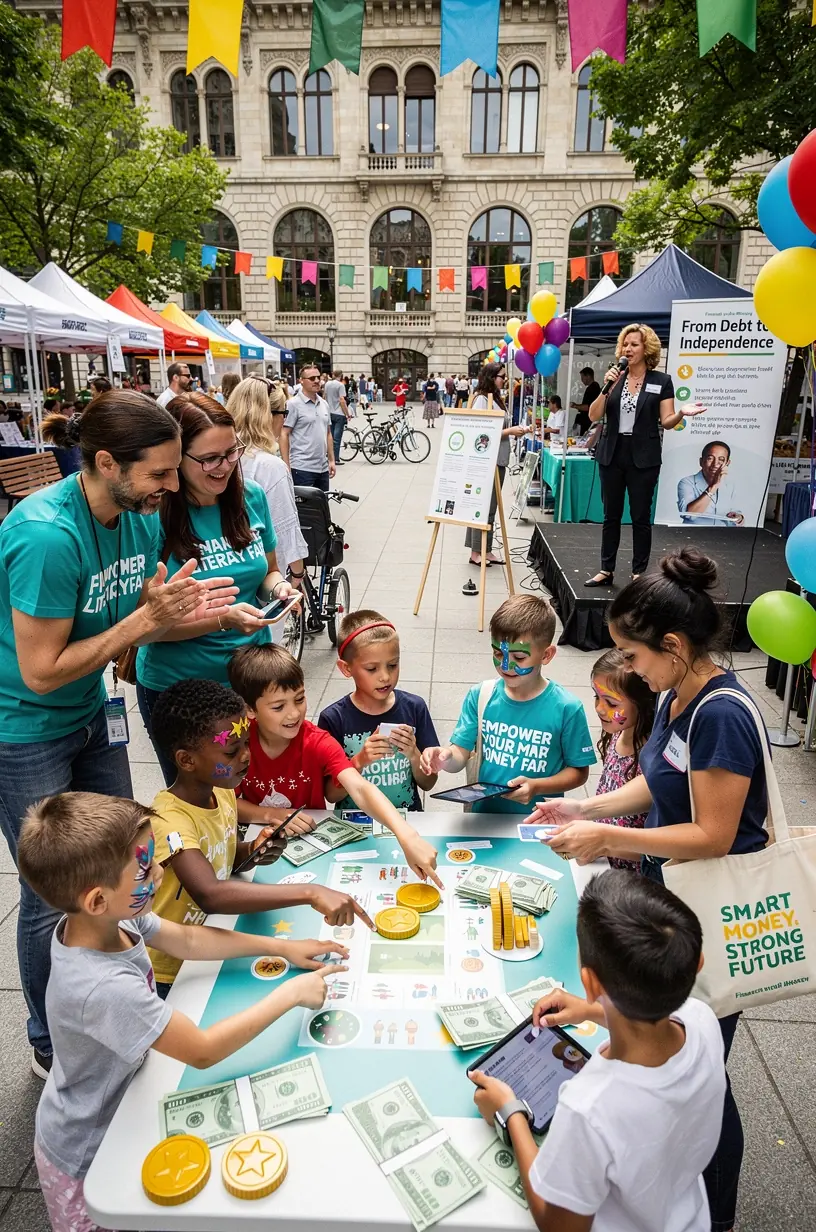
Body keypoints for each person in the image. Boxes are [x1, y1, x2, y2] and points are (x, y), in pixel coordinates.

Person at [527, 547, 770, 1232]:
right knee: (679, 1050)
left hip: (712, 912)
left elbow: (714, 834)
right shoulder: (673, 692)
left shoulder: (719, 713)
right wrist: (585, 808)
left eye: (634, 656)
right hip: (678, 898)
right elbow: (659, 782)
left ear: (674, 646)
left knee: (701, 1076)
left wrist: (608, 838)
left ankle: (712, 1205)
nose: (630, 671)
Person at [0, 392, 234, 1078]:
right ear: (106, 463)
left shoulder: (137, 518)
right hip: (25, 728)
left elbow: (136, 618)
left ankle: (120, 1001)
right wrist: (143, 623)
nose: (172, 487)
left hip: (90, 713)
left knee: (128, 860)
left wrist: (214, 616)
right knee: (54, 893)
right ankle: (50, 1042)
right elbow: (41, 670)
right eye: (158, 474)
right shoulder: (47, 536)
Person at [18, 791, 344, 1230]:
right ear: (96, 899)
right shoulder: (102, 986)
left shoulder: (111, 918)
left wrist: (282, 947)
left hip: (126, 1101)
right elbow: (203, 1050)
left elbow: (188, 940)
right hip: (89, 1151)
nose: (159, 871)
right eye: (146, 869)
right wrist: (291, 994)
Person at [470, 870, 726, 1232]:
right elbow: (654, 1022)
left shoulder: (588, 1107)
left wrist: (510, 1115)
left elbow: (559, 1225)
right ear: (696, 963)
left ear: (589, 982)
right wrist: (593, 1009)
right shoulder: (703, 1020)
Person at [146, 677, 363, 995]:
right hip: (173, 968)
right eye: (231, 751)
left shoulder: (221, 791)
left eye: (246, 743)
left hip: (216, 943)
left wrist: (251, 850)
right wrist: (311, 892)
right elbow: (210, 893)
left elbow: (220, 858)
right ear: (187, 760)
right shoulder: (170, 819)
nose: (246, 756)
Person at [135, 391, 299, 784]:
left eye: (231, 453)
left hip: (248, 683)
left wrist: (279, 589)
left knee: (243, 783)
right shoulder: (151, 516)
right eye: (209, 458)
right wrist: (223, 620)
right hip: (181, 693)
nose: (224, 467)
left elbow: (267, 570)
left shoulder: (250, 497)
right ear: (177, 458)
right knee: (200, 794)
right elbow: (143, 627)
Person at [229, 644, 442, 885]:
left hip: (312, 844)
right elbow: (224, 802)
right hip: (255, 847)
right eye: (278, 707)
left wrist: (408, 836)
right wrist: (271, 814)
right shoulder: (236, 743)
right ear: (249, 709)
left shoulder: (316, 740)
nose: (294, 714)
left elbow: (359, 786)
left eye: (299, 699)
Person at [420, 594, 595, 814]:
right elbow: (460, 754)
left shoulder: (567, 708)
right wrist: (444, 757)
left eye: (519, 657)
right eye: (497, 653)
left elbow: (579, 772)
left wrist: (537, 786)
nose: (505, 665)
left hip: (539, 820)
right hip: (484, 816)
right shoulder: (481, 696)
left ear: (547, 655)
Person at [585, 323, 705, 587]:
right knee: (610, 516)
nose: (628, 349)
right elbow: (593, 415)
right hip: (612, 454)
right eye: (625, 344)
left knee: (640, 517)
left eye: (634, 344)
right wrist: (606, 388)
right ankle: (606, 569)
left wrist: (681, 413)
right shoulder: (615, 378)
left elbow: (667, 421)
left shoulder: (661, 381)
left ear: (646, 348)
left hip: (643, 457)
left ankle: (639, 572)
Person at [318, 610, 439, 813]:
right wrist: (359, 760)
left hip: (406, 818)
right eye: (372, 669)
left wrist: (414, 754)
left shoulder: (414, 707)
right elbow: (330, 794)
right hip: (355, 822)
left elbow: (429, 782)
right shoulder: (333, 719)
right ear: (346, 668)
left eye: (392, 665)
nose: (385, 676)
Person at [228, 375, 308, 594]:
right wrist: (297, 573)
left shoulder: (220, 457)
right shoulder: (270, 466)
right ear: (268, 416)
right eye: (283, 413)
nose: (284, 420)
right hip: (264, 578)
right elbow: (285, 527)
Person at [590, 648, 655, 871]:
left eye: (611, 703)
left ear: (642, 703)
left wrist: (603, 845)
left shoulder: (652, 759)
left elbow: (658, 850)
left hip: (635, 877)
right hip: (604, 863)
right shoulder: (616, 734)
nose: (600, 708)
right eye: (596, 697)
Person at [462, 364, 526, 567]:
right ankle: (476, 551)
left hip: (499, 459)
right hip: (487, 460)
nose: (504, 380)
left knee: (490, 508)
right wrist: (510, 431)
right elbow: (482, 433)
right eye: (501, 376)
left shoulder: (495, 398)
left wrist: (514, 430)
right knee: (482, 507)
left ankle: (485, 549)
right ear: (491, 377)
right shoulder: (482, 399)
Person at [280, 364, 334, 491]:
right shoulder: (293, 404)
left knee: (322, 503)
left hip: (322, 468)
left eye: (318, 377)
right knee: (305, 504)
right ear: (301, 381)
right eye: (312, 378)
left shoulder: (324, 404)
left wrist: (331, 460)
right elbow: (284, 434)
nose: (316, 381)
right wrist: (286, 465)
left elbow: (328, 433)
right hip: (301, 468)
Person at [678, 440, 744, 526]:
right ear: (701, 461)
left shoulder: (731, 485)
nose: (715, 464)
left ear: (727, 463)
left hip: (723, 533)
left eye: (721, 459)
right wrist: (714, 486)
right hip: (694, 533)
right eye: (710, 458)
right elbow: (689, 515)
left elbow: (736, 514)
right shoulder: (687, 482)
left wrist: (739, 518)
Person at [324, 370, 350, 465]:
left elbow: (324, 397)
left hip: (329, 412)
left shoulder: (327, 384)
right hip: (339, 413)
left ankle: (329, 457)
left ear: (333, 375)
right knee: (337, 438)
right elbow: (342, 400)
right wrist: (347, 413)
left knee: (329, 436)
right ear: (341, 376)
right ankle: (335, 458)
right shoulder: (340, 385)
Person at [570, 366, 600, 436]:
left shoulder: (593, 388)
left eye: (582, 377)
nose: (581, 380)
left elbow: (589, 407)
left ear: (588, 376)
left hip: (587, 422)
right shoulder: (592, 387)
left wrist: (575, 406)